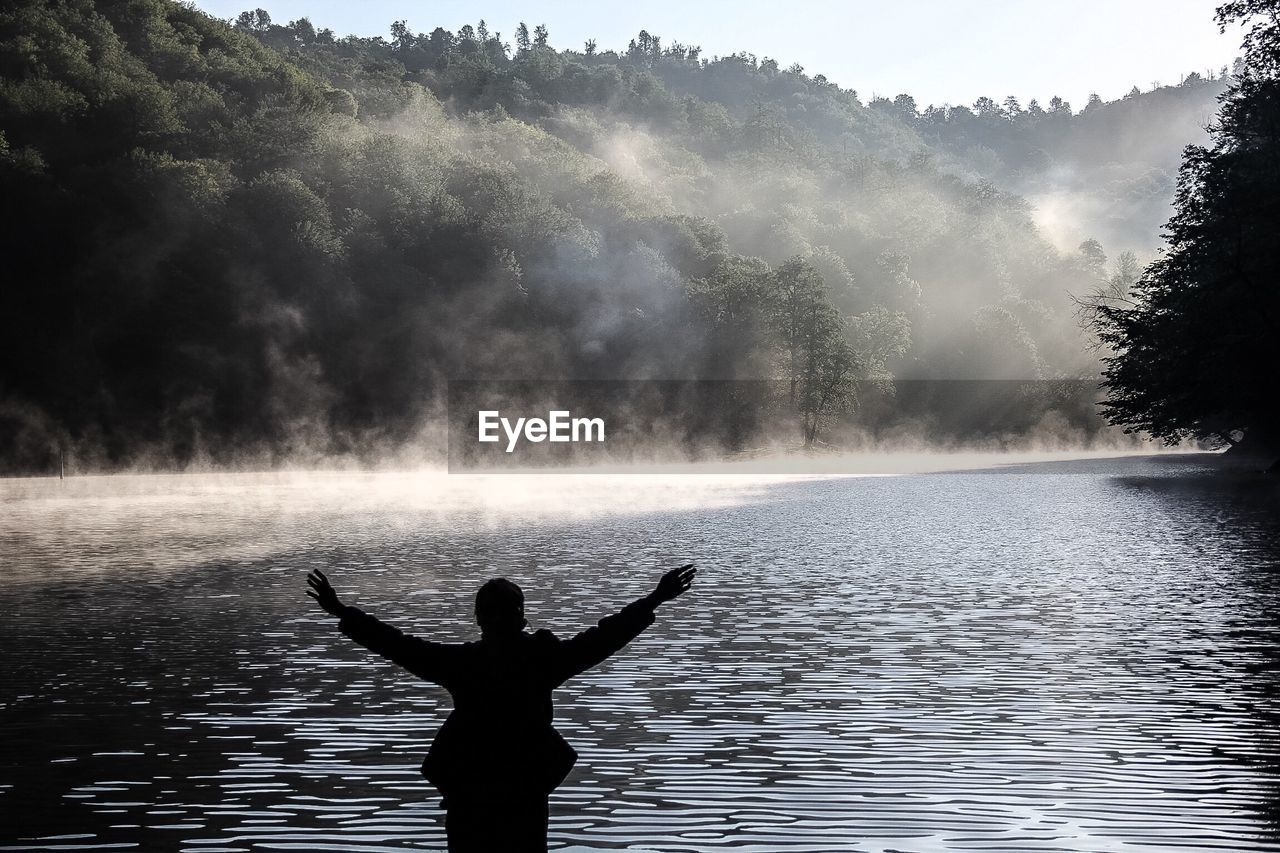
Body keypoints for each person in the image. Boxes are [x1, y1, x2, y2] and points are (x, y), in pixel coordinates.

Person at [305, 563, 697, 852]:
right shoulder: (541, 660)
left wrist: (342, 612)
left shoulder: (462, 665)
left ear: (479, 618)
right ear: (521, 616)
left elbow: (396, 644)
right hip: (523, 788)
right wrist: (654, 598)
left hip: (470, 789)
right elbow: (602, 638)